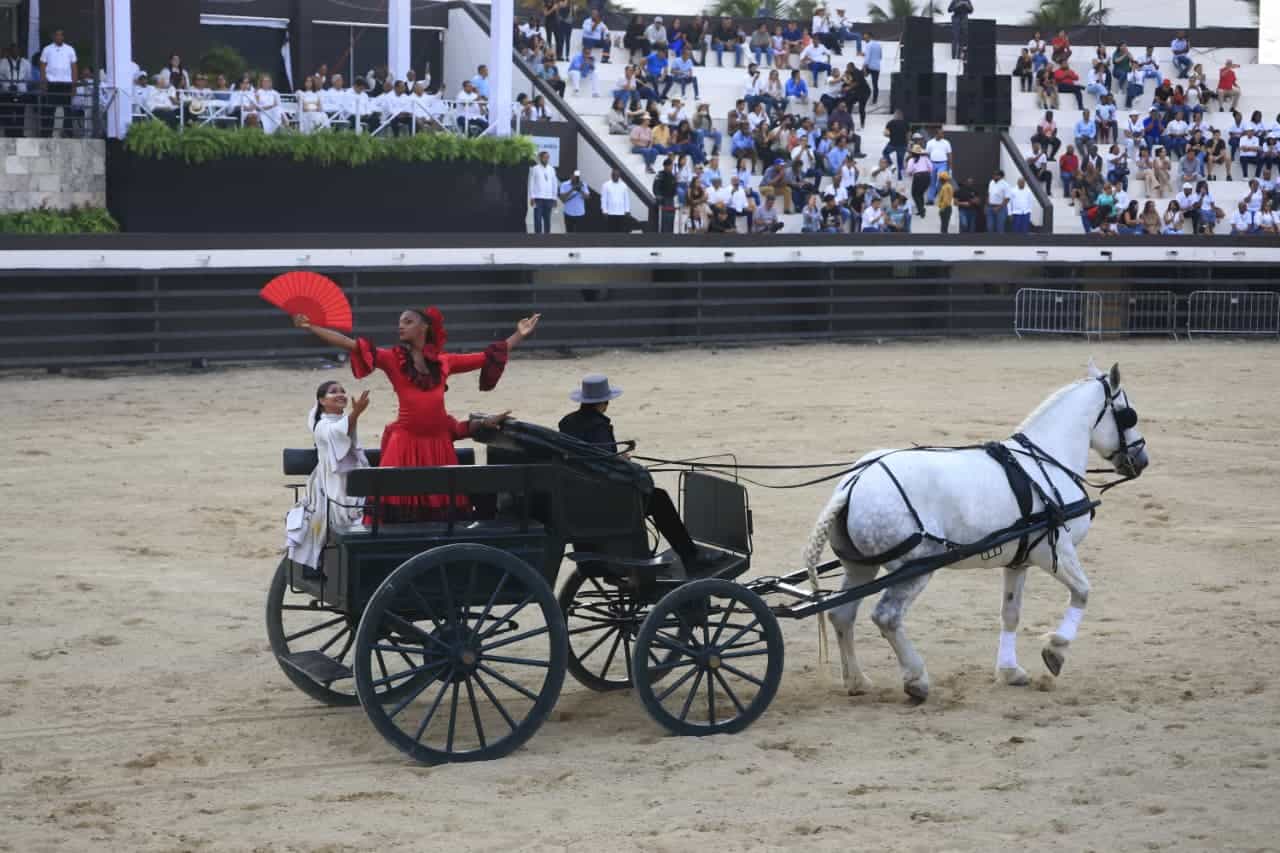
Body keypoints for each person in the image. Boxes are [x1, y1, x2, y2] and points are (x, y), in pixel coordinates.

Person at [292, 309, 538, 521]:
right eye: (400, 321)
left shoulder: (444, 362)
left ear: (425, 327)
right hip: (404, 449)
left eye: (408, 321)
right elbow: (349, 344)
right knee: (397, 519)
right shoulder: (392, 360)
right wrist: (311, 326)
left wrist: (519, 334)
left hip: (439, 448)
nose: (401, 325)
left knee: (442, 521)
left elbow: (487, 357)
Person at [558, 375, 707, 572]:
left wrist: (615, 458)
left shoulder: (568, 423)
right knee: (658, 498)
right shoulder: (598, 426)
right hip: (600, 499)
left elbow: (591, 458)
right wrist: (622, 462)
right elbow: (603, 467)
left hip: (581, 494)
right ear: (604, 402)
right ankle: (690, 556)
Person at [286, 382, 372, 570]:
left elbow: (343, 431)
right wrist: (356, 413)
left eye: (342, 391)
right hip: (334, 484)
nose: (340, 394)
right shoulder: (322, 425)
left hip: (350, 479)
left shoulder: (339, 421)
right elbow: (337, 433)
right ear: (322, 401)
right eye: (334, 392)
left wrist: (354, 415)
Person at [38, 29, 77, 138]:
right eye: (57, 35)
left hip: (66, 84)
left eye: (61, 35)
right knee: (49, 109)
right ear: (53, 36)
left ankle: (68, 133)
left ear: (63, 37)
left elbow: (74, 68)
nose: (59, 37)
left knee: (67, 110)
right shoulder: (47, 49)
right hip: (52, 84)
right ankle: (46, 133)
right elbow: (42, 66)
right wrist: (43, 82)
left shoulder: (70, 50)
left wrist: (74, 86)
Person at [529, 149, 558, 234]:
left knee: (547, 220)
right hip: (538, 198)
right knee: (537, 219)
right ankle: (538, 238)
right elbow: (532, 183)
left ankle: (547, 238)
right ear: (540, 158)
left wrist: (554, 198)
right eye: (545, 157)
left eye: (548, 157)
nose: (547, 159)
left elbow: (554, 184)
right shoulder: (535, 168)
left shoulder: (552, 169)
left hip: (549, 198)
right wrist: (532, 197)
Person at [925, 126, 952, 204]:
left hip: (943, 163)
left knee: (939, 181)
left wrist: (950, 169)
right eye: (941, 133)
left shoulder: (946, 142)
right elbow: (927, 155)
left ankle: (936, 196)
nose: (943, 135)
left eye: (943, 133)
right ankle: (930, 199)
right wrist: (928, 166)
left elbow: (950, 155)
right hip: (932, 163)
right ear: (936, 134)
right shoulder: (930, 142)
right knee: (932, 182)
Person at [986, 169, 1011, 233]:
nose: (994, 176)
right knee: (990, 227)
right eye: (994, 175)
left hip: (1001, 208)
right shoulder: (991, 182)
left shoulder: (1006, 185)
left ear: (1001, 176)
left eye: (996, 175)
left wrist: (999, 207)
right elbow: (989, 193)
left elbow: (1007, 198)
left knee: (1000, 227)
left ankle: (999, 242)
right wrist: (987, 205)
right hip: (990, 207)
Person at [863, 36, 881, 103]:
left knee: (859, 79)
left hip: (869, 66)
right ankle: (875, 99)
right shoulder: (878, 45)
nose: (864, 40)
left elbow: (867, 57)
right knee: (875, 84)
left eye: (865, 38)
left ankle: (862, 95)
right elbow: (880, 56)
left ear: (869, 38)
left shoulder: (868, 45)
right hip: (876, 66)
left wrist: (864, 66)